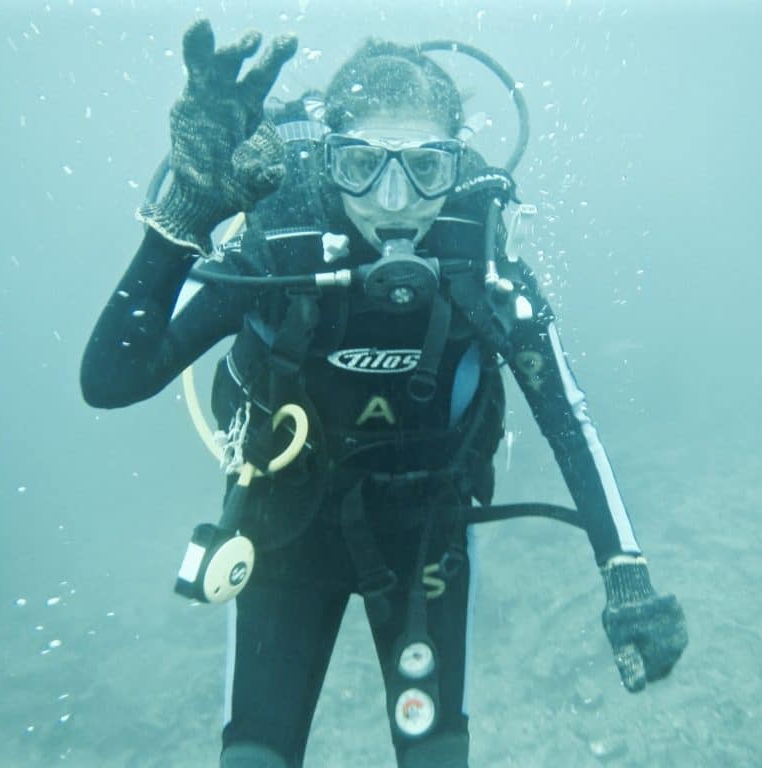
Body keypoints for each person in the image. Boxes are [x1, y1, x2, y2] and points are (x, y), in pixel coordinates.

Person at [81, 19, 687, 768]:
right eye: (363, 164)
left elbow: (567, 417)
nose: (395, 201)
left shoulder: (481, 268)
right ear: (327, 161)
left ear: (459, 166)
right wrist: (184, 218)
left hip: (425, 538)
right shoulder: (282, 247)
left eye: (427, 169)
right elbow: (110, 380)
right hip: (283, 531)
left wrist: (625, 574)